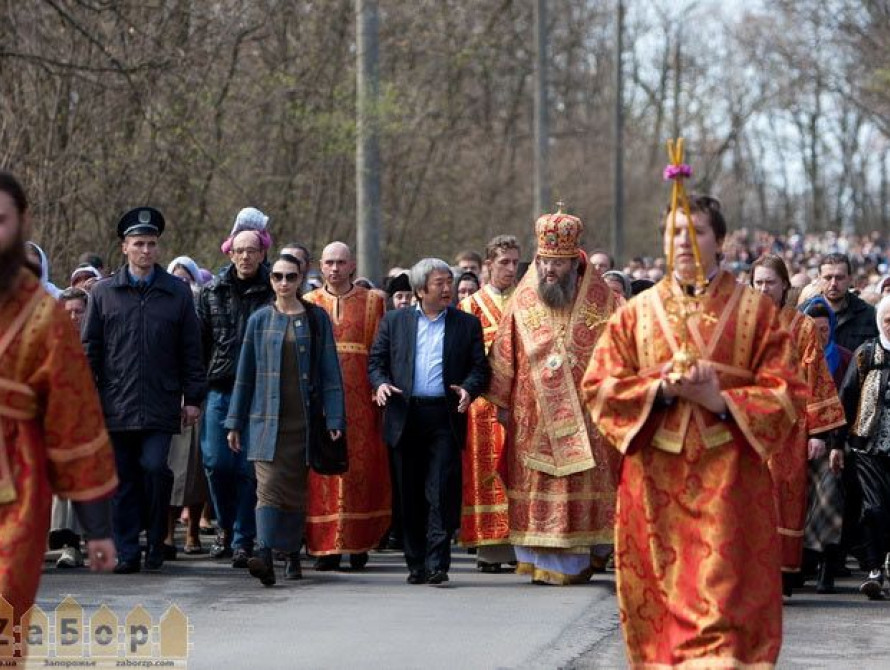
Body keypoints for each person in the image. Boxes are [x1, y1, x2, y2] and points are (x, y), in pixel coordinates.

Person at [583, 195, 803, 667]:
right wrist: (659, 390)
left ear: (719, 241)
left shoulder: (756, 314)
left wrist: (719, 401)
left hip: (730, 490)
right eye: (674, 232)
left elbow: (788, 391)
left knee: (722, 620)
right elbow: (599, 386)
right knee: (663, 628)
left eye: (697, 231)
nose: (684, 242)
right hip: (655, 494)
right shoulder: (635, 314)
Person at [0, 171, 117, 647]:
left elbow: (74, 422)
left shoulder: (46, 317)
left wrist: (96, 529)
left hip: (15, 492)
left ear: (23, 222)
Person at [486, 209, 619, 585]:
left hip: (586, 415)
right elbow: (503, 353)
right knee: (537, 483)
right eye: (544, 261)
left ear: (574, 263)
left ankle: (584, 557)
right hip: (532, 414)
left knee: (581, 484)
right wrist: (502, 404)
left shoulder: (604, 302)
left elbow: (619, 354)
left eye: (557, 263)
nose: (548, 270)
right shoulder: (523, 302)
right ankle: (535, 557)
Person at [84, 207, 206, 574]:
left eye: (152, 244)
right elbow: (90, 351)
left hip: (160, 401)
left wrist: (194, 397)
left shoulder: (176, 293)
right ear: (125, 247)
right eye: (139, 244)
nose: (146, 250)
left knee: (155, 469)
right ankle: (127, 549)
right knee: (121, 478)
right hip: (115, 404)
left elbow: (191, 349)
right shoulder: (104, 294)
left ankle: (156, 540)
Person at [369, 258, 490, 585]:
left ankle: (438, 562)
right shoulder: (395, 322)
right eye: (439, 283)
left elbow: (480, 368)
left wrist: (468, 389)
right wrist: (380, 383)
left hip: (444, 417)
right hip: (404, 414)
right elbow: (376, 362)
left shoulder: (466, 324)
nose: (447, 288)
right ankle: (416, 562)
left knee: (440, 491)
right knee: (408, 494)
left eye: (448, 282)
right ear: (421, 290)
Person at [226, 254, 345, 585]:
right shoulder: (259, 320)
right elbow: (244, 376)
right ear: (271, 280)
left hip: (304, 422)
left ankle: (291, 552)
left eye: (290, 277)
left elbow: (330, 372)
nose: (283, 283)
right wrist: (234, 422)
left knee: (294, 493)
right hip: (265, 421)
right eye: (277, 276)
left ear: (301, 279)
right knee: (267, 488)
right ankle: (264, 553)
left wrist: (335, 418)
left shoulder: (316, 318)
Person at [750, 254, 846, 596]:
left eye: (770, 283)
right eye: (758, 282)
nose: (763, 289)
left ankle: (781, 574)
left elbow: (817, 379)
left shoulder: (802, 326)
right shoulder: (740, 324)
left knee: (783, 497)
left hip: (788, 431)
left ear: (784, 286)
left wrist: (819, 431)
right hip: (746, 428)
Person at [304, 242, 390, 570]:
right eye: (329, 263)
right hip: (322, 400)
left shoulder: (374, 302)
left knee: (361, 469)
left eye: (341, 262)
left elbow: (382, 352)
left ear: (352, 264)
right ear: (320, 266)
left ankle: (359, 543)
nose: (335, 268)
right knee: (322, 471)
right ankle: (325, 546)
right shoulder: (309, 303)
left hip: (362, 403)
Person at [198, 209, 274, 568]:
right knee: (215, 462)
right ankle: (224, 526)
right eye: (239, 250)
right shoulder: (211, 291)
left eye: (252, 250)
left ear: (262, 253)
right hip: (220, 388)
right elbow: (199, 345)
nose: (246, 256)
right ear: (229, 252)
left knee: (247, 469)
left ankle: (243, 538)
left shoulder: (272, 291)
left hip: (259, 394)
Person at [458, 235, 520, 573]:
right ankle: (490, 548)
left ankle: (519, 542)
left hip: (521, 403)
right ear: (488, 266)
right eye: (504, 263)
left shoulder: (528, 301)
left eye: (515, 262)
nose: (511, 269)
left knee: (516, 471)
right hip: (481, 404)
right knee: (484, 471)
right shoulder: (469, 307)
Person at [838, 295, 890, 599]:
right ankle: (873, 569)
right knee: (874, 508)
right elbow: (846, 398)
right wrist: (836, 443)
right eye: (888, 319)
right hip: (868, 446)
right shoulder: (866, 354)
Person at [800, 296, 852, 593]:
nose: (820, 335)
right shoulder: (796, 357)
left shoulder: (843, 358)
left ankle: (826, 565)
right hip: (798, 440)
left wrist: (834, 441)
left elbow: (845, 403)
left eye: (824, 329)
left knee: (829, 494)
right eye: (814, 329)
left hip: (833, 441)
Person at [163, 255, 209, 557]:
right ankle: (166, 534)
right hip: (166, 396)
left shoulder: (201, 313)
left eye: (186, 278)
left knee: (195, 468)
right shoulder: (162, 310)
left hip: (196, 396)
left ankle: (193, 530)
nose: (181, 283)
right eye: (175, 277)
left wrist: (194, 396)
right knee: (170, 468)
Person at [820, 253, 878, 352]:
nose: (833, 283)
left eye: (839, 278)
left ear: (850, 279)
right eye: (828, 278)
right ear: (819, 278)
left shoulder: (869, 315)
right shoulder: (805, 313)